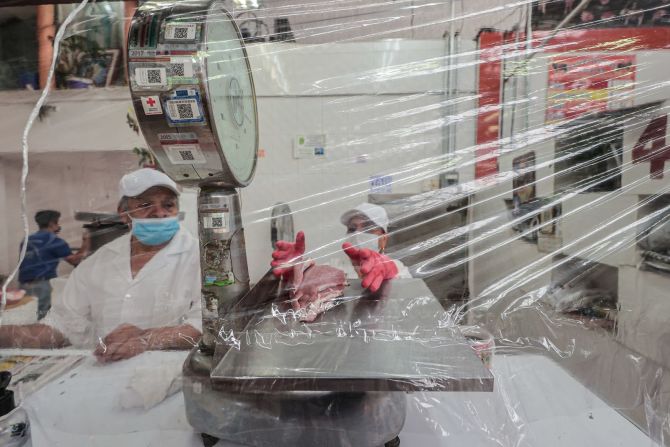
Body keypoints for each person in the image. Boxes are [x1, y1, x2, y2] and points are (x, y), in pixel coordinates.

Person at [0, 168, 202, 363]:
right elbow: (63, 326)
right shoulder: (99, 263)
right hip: (105, 376)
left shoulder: (199, 258)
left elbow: (207, 325)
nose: (159, 213)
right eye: (145, 205)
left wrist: (146, 338)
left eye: (168, 205)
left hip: (170, 378)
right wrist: (8, 335)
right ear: (123, 213)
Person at [271, 202, 411, 293]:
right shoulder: (334, 267)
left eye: (368, 228)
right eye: (352, 228)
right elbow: (303, 287)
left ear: (383, 239)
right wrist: (294, 273)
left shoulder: (398, 269)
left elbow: (407, 294)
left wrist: (389, 271)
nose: (357, 234)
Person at [19, 210, 90, 320]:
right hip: (43, 285)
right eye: (57, 223)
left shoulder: (27, 240)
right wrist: (86, 242)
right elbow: (75, 261)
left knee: (27, 317)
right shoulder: (54, 240)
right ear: (52, 224)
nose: (59, 226)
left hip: (23, 286)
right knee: (43, 318)